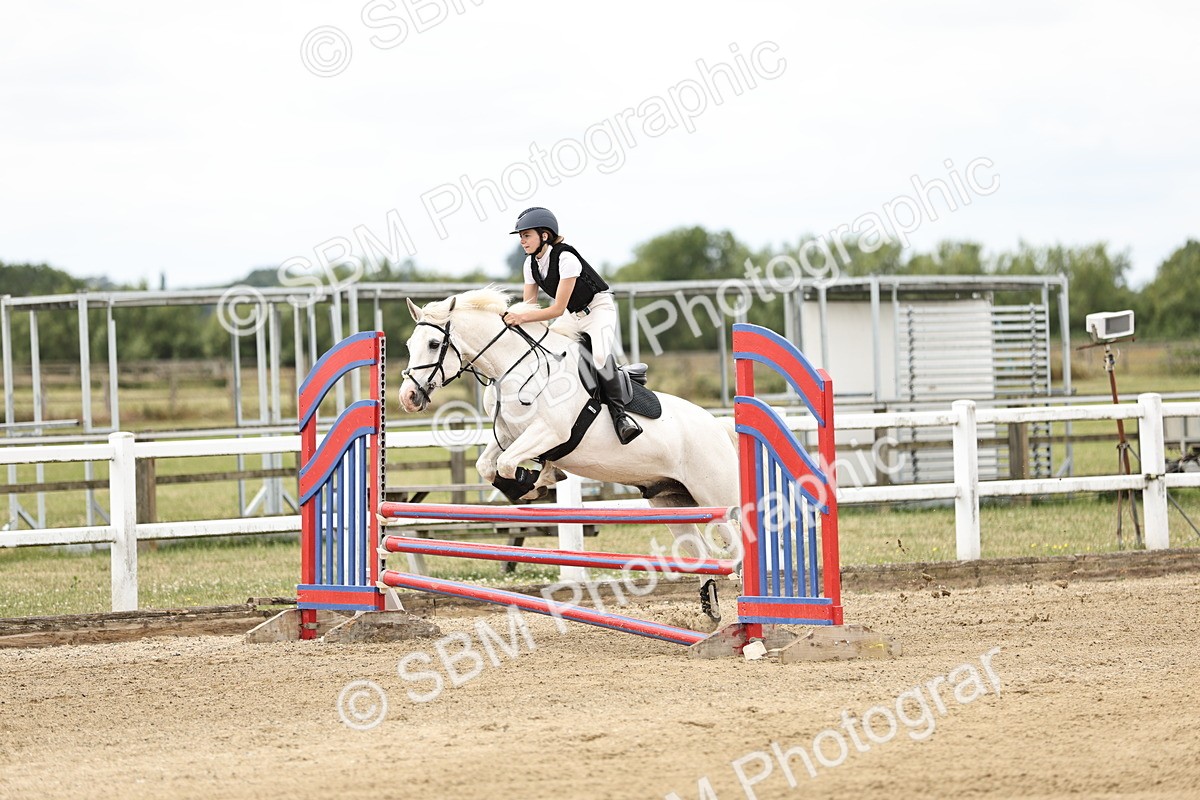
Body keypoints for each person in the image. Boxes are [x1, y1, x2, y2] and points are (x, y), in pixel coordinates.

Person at [501, 206, 642, 445]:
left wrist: (521, 318)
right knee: (550, 351)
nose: (522, 241)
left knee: (598, 357)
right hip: (572, 315)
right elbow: (529, 307)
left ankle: (621, 417)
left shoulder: (566, 258)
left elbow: (554, 309)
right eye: (521, 236)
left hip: (598, 309)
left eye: (527, 235)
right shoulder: (530, 265)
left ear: (544, 235)